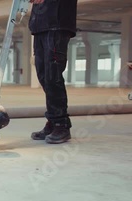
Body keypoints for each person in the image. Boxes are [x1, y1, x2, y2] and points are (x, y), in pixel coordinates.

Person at [29, 0, 77, 144]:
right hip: (40, 26)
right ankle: (53, 121)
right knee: (43, 75)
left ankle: (61, 124)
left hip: (57, 23)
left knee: (53, 76)